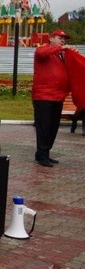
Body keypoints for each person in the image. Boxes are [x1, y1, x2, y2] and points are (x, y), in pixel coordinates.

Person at [32, 28, 80, 166]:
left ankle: (45, 153)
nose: (62, 40)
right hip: (43, 96)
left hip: (57, 97)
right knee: (44, 127)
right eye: (60, 38)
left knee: (53, 127)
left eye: (64, 39)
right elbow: (42, 53)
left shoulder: (60, 54)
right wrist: (62, 48)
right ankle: (42, 155)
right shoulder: (43, 49)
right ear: (51, 38)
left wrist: (72, 54)